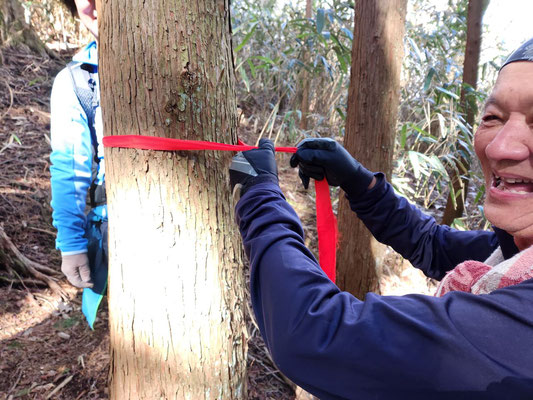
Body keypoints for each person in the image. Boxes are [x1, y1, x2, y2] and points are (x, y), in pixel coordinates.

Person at [230, 39, 533, 399]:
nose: (501, 146)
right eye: (492, 118)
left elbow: (315, 333)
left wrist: (260, 196)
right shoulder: (511, 254)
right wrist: (361, 183)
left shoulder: (518, 323)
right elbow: (433, 244)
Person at [50, 0, 106, 328]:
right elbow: (69, 166)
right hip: (112, 234)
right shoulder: (75, 82)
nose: (88, 4)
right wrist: (71, 244)